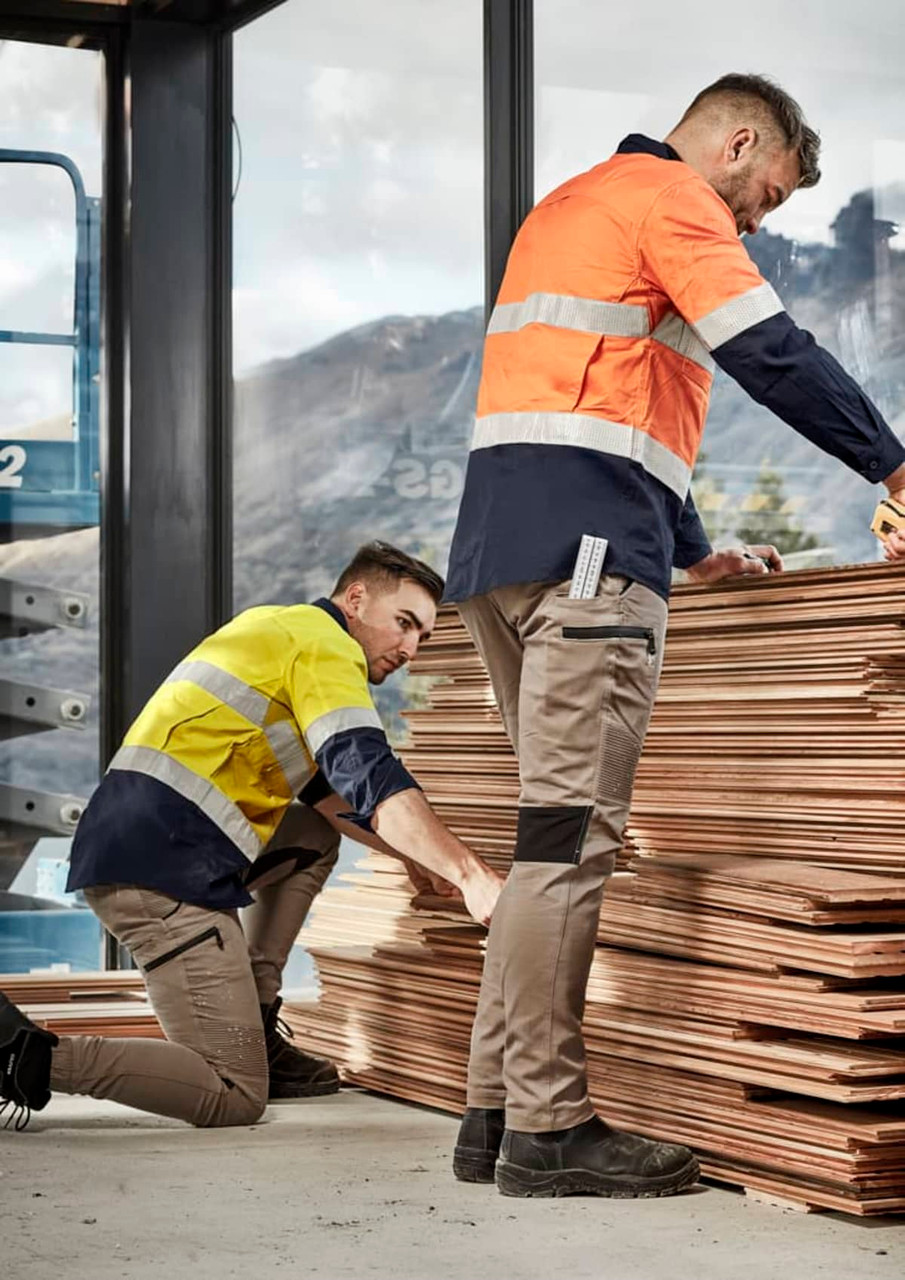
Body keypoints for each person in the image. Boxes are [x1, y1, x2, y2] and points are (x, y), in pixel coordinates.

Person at [445, 73, 905, 1200]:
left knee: (543, 837)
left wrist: (695, 550)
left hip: (502, 554)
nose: (756, 221)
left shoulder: (571, 205)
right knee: (571, 843)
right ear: (737, 141)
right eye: (766, 195)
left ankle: (492, 1108)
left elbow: (607, 409)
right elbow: (772, 351)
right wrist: (894, 464)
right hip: (589, 564)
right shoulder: (673, 198)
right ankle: (549, 1128)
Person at [0, 542, 502, 1131]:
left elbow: (325, 794)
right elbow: (367, 771)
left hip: (157, 845)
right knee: (232, 1094)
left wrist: (414, 856)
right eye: (405, 624)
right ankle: (23, 1058)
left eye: (421, 635)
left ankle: (257, 1028)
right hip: (162, 873)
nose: (412, 650)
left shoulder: (274, 629)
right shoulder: (325, 645)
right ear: (357, 598)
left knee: (313, 836)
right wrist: (473, 875)